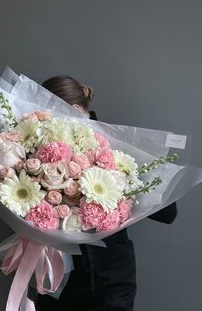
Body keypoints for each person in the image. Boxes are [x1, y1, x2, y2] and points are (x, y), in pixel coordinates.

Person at [36, 75, 177, 311]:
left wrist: (120, 182)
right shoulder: (39, 154)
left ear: (74, 110)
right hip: (58, 282)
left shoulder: (116, 148)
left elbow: (168, 213)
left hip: (111, 283)